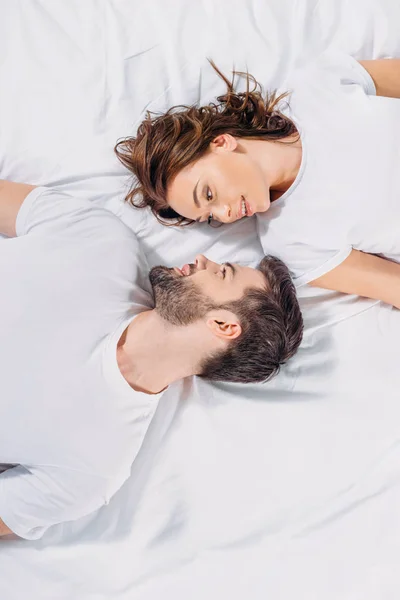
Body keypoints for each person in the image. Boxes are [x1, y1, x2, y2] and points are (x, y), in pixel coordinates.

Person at [0, 179, 303, 540]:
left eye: (222, 273)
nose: (204, 259)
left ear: (223, 325)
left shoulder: (94, 467)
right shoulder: (102, 242)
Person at [115, 54, 400, 309]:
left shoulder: (314, 87)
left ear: (222, 142)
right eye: (210, 217)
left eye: (210, 194)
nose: (224, 215)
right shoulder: (292, 243)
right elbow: (393, 286)